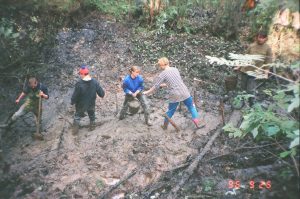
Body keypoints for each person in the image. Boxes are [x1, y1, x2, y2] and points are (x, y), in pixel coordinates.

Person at [143, 57, 204, 130]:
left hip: (175, 94)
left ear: (161, 65)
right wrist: (164, 85)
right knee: (191, 107)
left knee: (171, 111)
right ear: (168, 63)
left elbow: (155, 86)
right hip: (184, 91)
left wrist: (147, 92)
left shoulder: (163, 74)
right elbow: (176, 81)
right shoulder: (175, 69)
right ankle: (197, 123)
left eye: (160, 65)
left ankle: (165, 127)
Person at [234, 31, 272, 104]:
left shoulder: (268, 49)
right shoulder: (252, 46)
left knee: (250, 89)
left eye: (263, 38)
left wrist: (266, 73)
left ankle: (251, 104)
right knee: (242, 88)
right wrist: (238, 66)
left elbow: (268, 62)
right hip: (245, 70)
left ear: (266, 38)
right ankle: (240, 103)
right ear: (257, 37)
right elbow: (245, 57)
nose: (261, 39)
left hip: (255, 72)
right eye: (259, 37)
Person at [71, 65, 105, 134]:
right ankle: (92, 128)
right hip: (91, 103)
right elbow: (101, 94)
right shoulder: (95, 82)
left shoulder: (79, 84)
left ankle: (75, 131)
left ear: (83, 74)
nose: (80, 75)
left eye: (80, 74)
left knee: (77, 116)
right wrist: (102, 94)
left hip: (81, 105)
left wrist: (72, 101)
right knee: (92, 116)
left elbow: (75, 95)